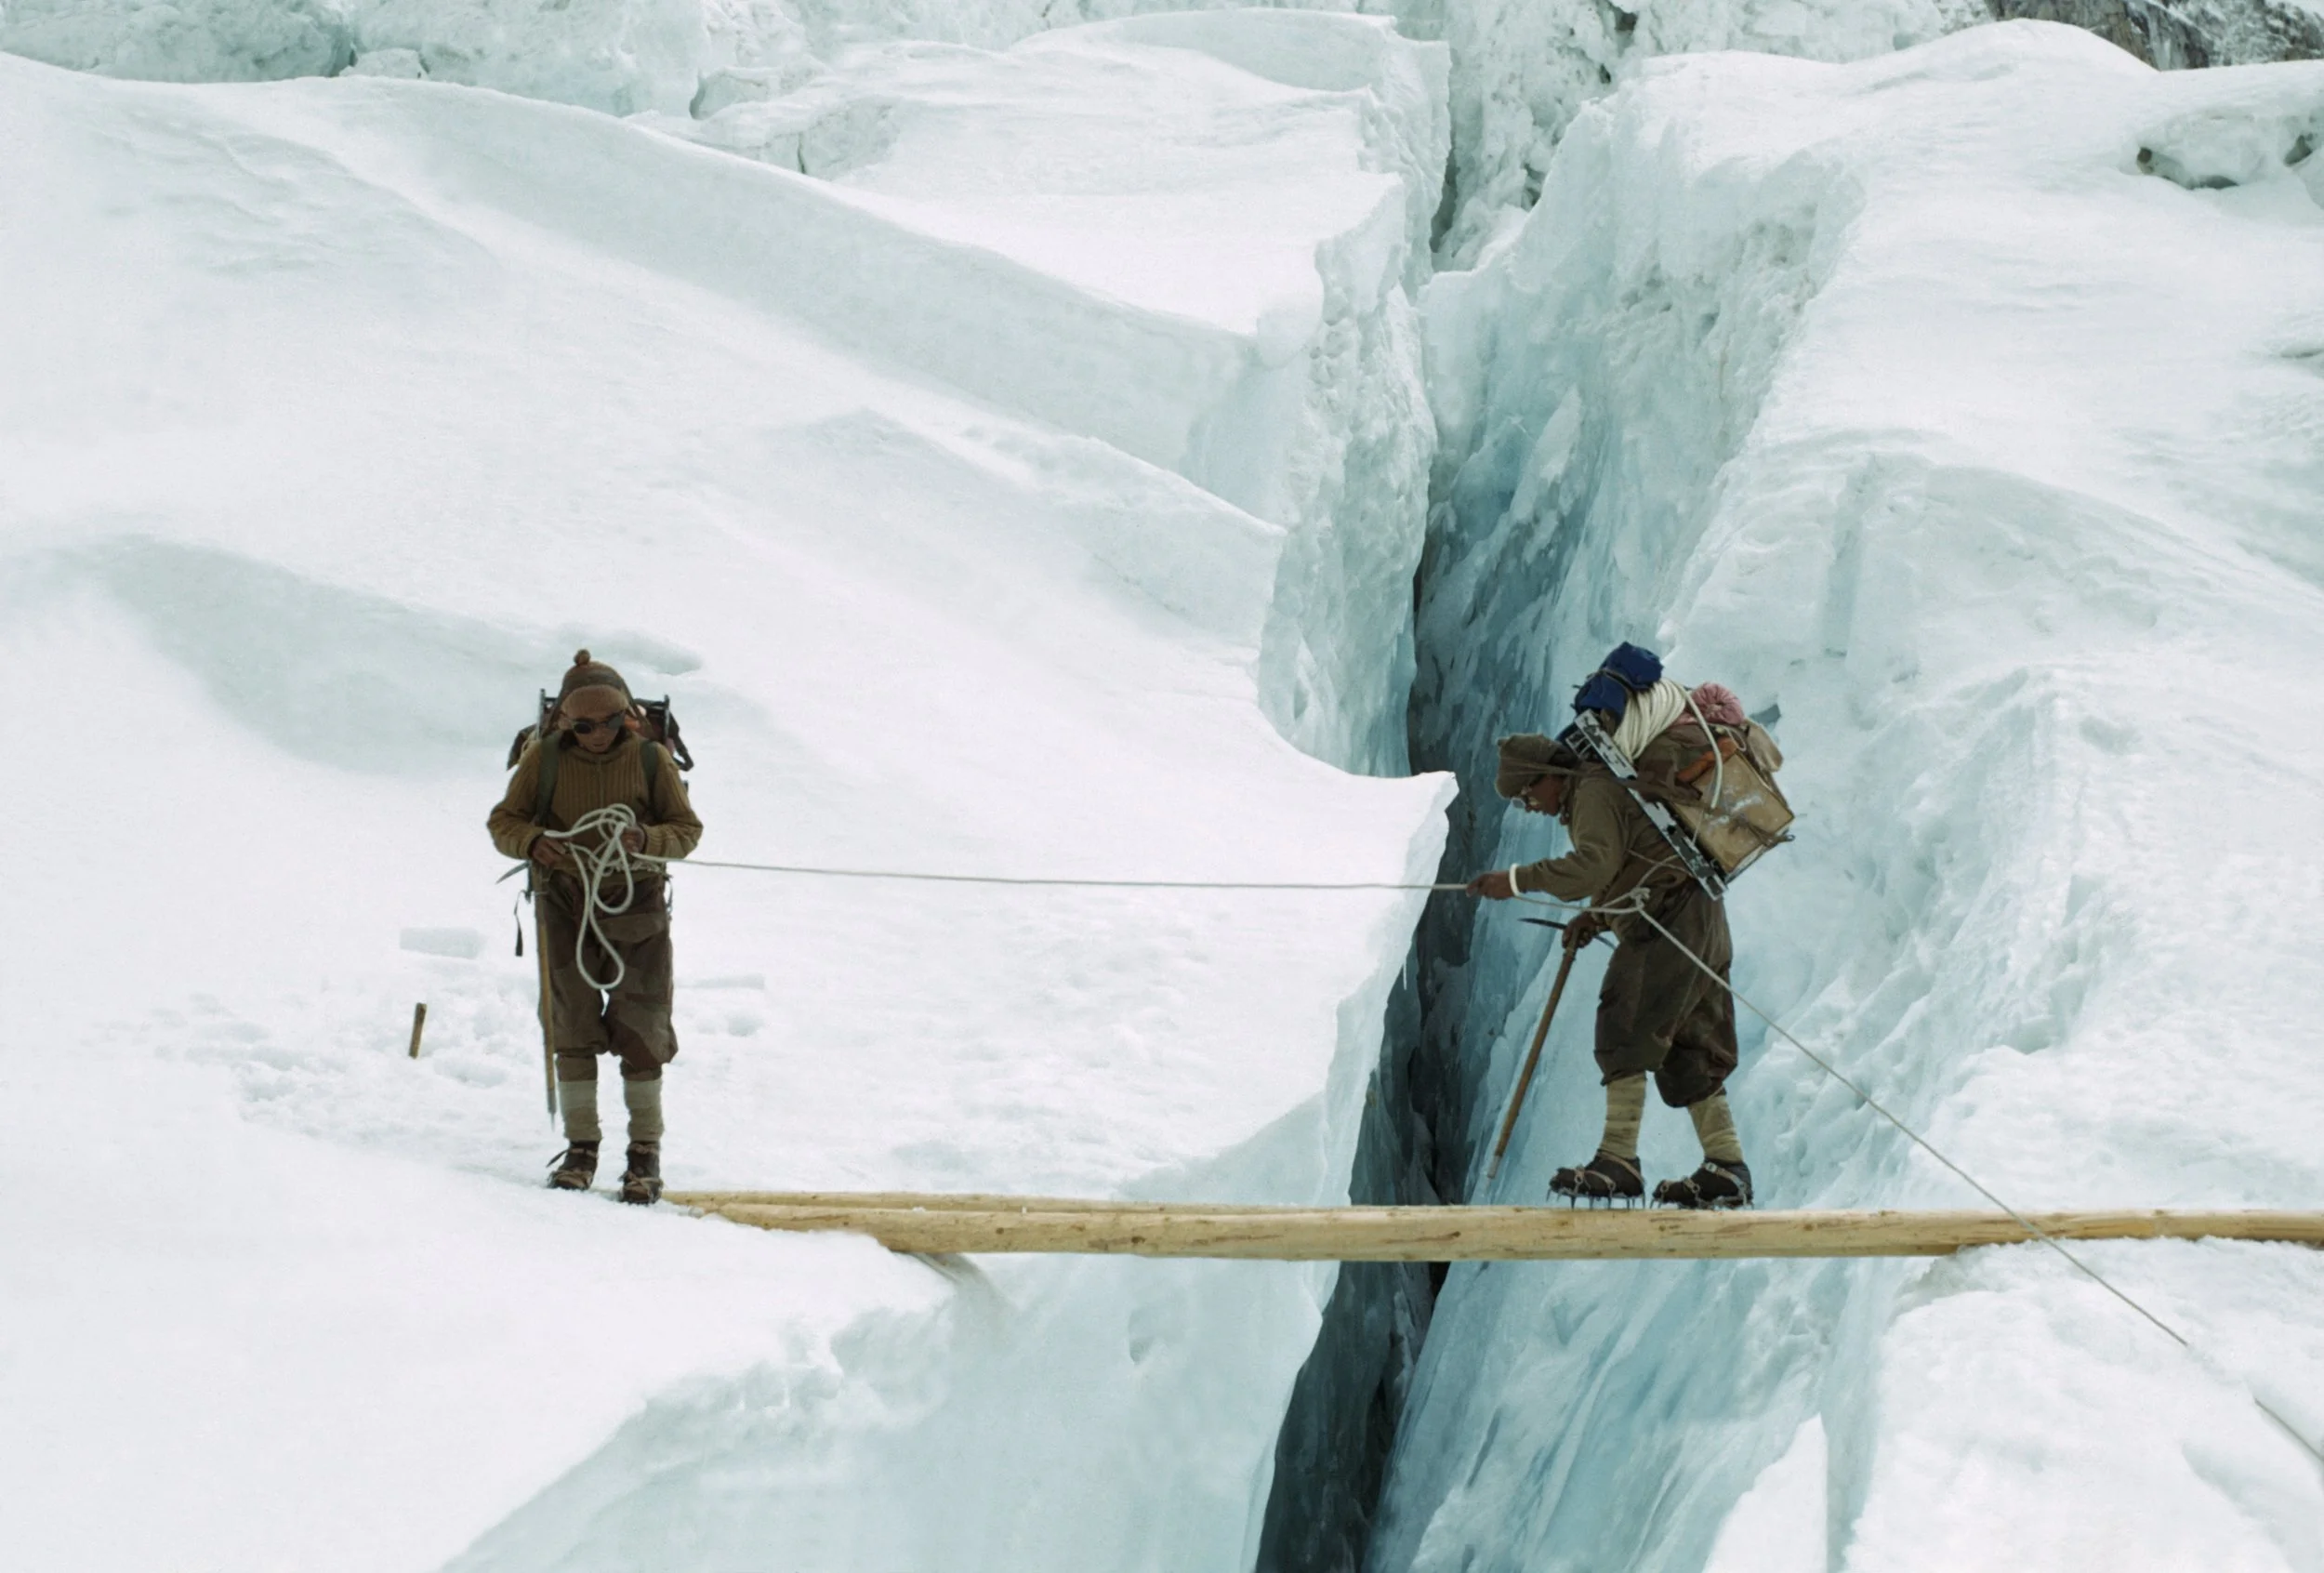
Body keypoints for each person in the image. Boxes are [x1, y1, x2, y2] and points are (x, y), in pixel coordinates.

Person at [1465, 732, 1751, 1208]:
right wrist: (1595, 916)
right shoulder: (1599, 790)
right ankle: (1727, 1165)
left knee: (1625, 1021)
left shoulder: (1592, 790)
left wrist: (1514, 881)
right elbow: (1633, 861)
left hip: (1669, 923)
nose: (1529, 805)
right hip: (1700, 920)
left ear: (1549, 777)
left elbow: (1593, 866)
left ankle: (1618, 1159)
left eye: (1525, 794)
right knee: (1690, 1047)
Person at [489, 652, 703, 1204]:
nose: (597, 735)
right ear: (564, 723)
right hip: (564, 903)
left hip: (638, 903)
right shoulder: (545, 761)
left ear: (628, 716)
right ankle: (582, 1148)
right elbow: (504, 821)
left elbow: (686, 828)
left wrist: (646, 841)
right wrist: (535, 843)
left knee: (644, 1024)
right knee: (571, 1019)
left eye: (608, 722)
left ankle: (643, 1155)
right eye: (583, 725)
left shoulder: (653, 760)